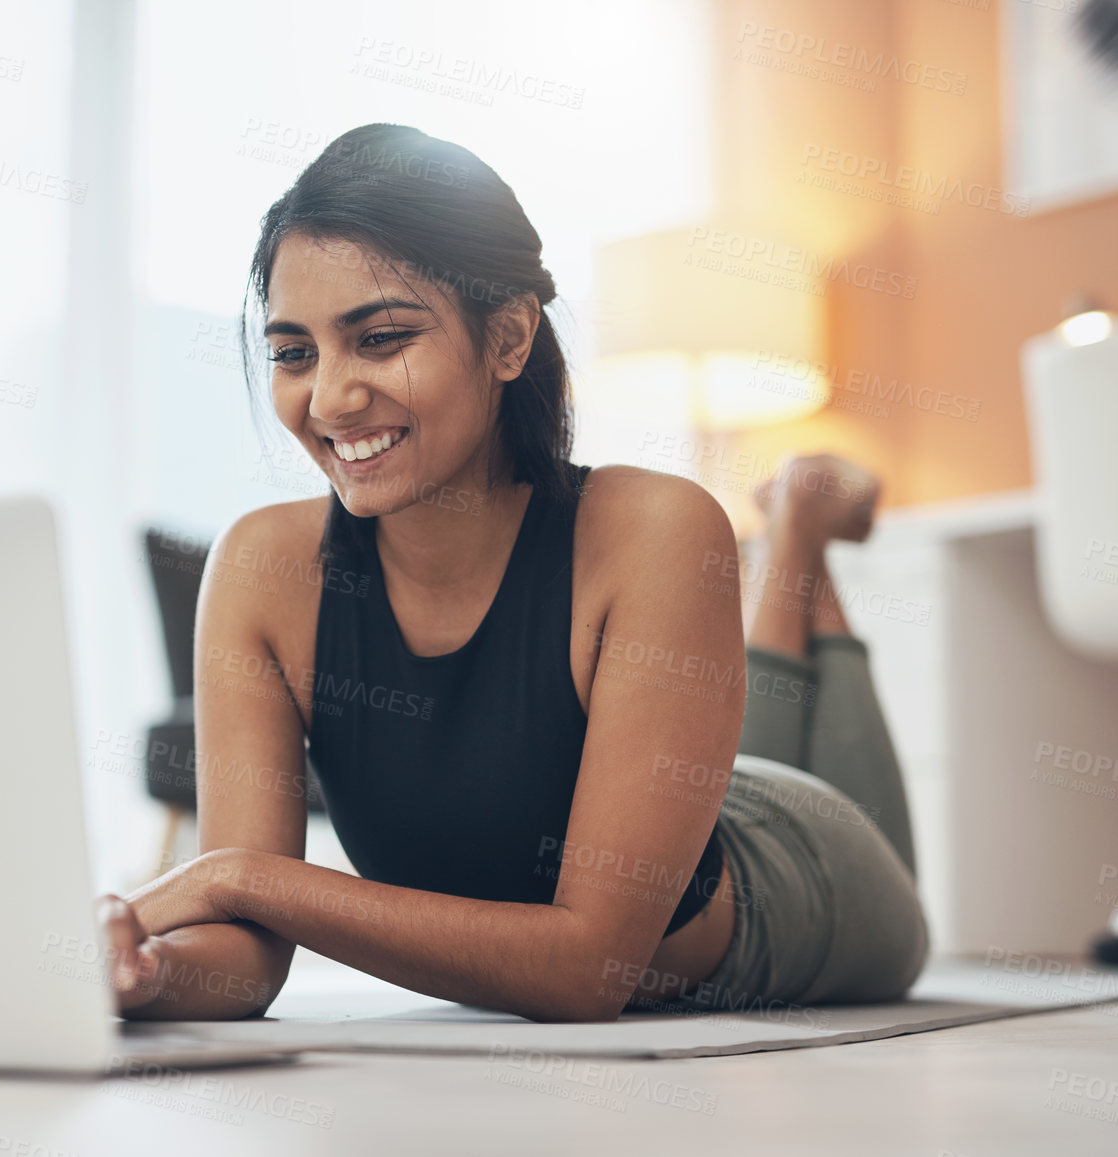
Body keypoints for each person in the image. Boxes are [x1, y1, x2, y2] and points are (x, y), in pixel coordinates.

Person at [97, 123, 928, 1022]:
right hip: (701, 794)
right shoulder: (263, 567)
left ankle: (799, 525)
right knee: (735, 750)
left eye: (379, 338)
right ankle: (801, 517)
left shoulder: (656, 527)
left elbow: (587, 970)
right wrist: (142, 971)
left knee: (782, 765)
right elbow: (244, 958)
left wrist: (236, 875)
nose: (329, 397)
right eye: (294, 352)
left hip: (804, 873)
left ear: (507, 336)